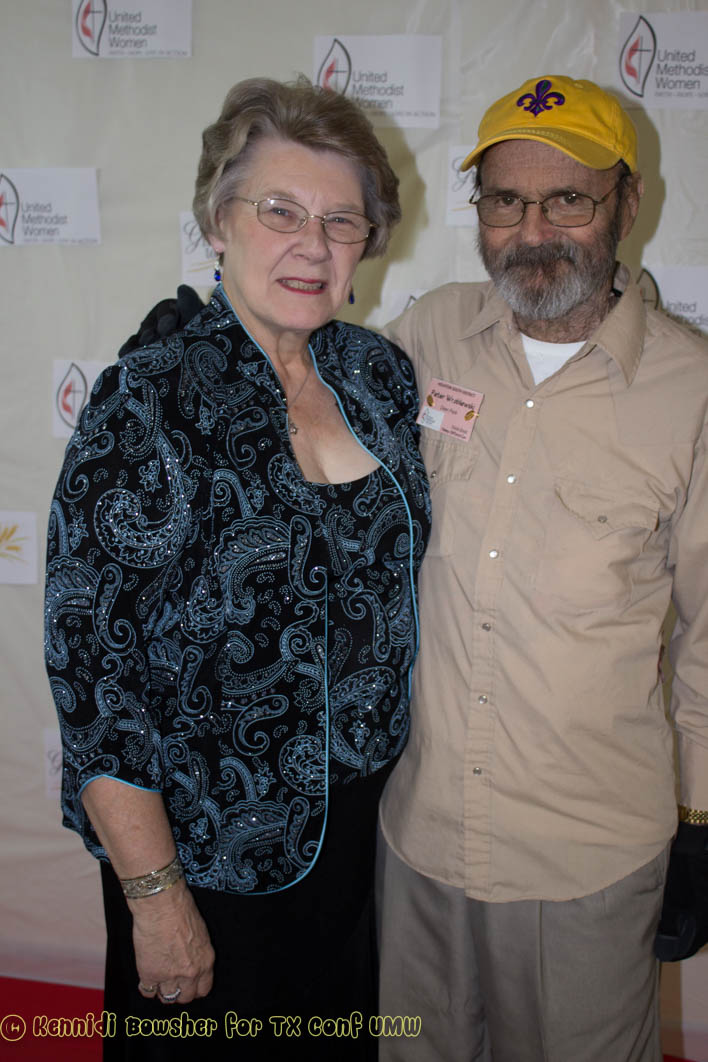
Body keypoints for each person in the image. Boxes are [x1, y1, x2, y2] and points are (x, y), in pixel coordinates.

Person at [44, 76, 430, 1061]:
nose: (313, 244)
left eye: (341, 221)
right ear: (219, 222)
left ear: (369, 243)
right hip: (206, 854)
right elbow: (94, 678)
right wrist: (155, 896)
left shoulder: (378, 376)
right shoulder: (147, 399)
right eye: (280, 211)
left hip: (362, 841)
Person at [375, 75, 708, 1061]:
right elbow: (312, 433)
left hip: (586, 863)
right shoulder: (429, 333)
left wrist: (700, 818)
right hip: (421, 841)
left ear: (628, 204)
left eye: (568, 199)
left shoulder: (692, 390)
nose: (533, 232)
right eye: (506, 201)